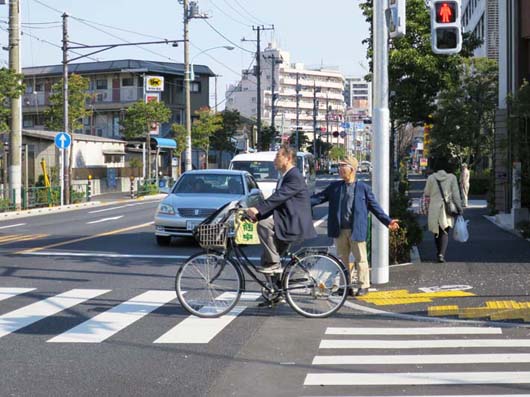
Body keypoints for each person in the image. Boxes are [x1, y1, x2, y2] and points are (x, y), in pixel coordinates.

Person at [311, 156, 399, 296]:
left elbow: (375, 207)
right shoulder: (335, 187)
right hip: (339, 230)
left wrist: (388, 221)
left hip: (356, 229)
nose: (340, 169)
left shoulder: (363, 188)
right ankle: (347, 286)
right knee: (342, 259)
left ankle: (363, 285)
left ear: (352, 169)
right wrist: (300, 203)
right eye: (339, 166)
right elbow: (318, 198)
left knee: (361, 259)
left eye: (342, 166)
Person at [247, 146, 317, 273]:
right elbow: (278, 203)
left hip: (293, 223)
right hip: (287, 220)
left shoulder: (294, 176)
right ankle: (276, 289)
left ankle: (275, 263)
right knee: (266, 259)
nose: (274, 159)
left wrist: (258, 209)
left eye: (278, 156)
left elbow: (278, 198)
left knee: (264, 226)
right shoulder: (285, 177)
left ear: (288, 158)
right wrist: (257, 215)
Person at [424, 157, 463, 263]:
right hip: (447, 208)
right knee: (445, 231)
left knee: (436, 232)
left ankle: (438, 252)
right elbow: (456, 195)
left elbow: (427, 193)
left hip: (434, 208)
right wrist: (459, 208)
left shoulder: (431, 178)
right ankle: (441, 254)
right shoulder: (452, 178)